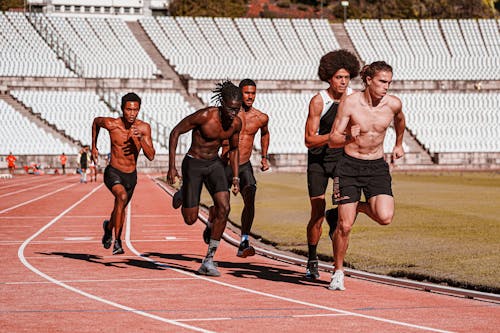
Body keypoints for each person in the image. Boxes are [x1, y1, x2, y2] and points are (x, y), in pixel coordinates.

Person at [328, 61, 406, 290]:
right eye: (382, 81)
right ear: (369, 80)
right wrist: (348, 138)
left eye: (389, 82)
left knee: (385, 217)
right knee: (345, 226)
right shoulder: (350, 103)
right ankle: (338, 272)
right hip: (349, 166)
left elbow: (400, 121)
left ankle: (350, 208)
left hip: (376, 167)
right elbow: (333, 139)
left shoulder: (393, 104)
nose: (386, 87)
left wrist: (399, 144)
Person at [167, 80, 242, 277]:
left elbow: (234, 149)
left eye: (237, 109)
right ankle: (184, 191)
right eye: (230, 109)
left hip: (214, 164)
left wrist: (235, 177)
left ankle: (209, 260)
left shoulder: (236, 123)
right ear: (222, 104)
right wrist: (172, 167)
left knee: (224, 208)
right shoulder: (205, 116)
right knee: (190, 219)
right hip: (194, 163)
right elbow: (175, 132)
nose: (234, 113)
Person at [303, 49, 360, 280]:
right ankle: (312, 259)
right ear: (329, 77)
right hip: (318, 160)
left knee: (346, 213)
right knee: (316, 213)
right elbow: (308, 140)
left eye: (346, 77)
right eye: (339, 77)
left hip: (342, 161)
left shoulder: (355, 99)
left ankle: (333, 218)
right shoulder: (319, 101)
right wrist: (334, 136)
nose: (343, 82)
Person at [207, 78, 270, 258]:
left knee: (250, 195)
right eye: (246, 93)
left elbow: (265, 134)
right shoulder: (229, 113)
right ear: (239, 93)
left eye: (253, 93)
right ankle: (212, 218)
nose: (250, 96)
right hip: (224, 164)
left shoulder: (261, 117)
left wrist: (264, 157)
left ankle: (244, 241)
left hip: (244, 164)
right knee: (221, 206)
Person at [92, 92, 155, 255]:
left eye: (135, 110)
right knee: (121, 197)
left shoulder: (144, 128)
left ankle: (108, 227)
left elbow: (151, 156)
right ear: (122, 109)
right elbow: (96, 122)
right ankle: (118, 242)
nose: (132, 113)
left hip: (131, 176)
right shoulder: (112, 124)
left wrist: (140, 140)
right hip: (113, 172)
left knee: (119, 207)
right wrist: (94, 146)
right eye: (128, 109)